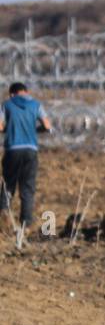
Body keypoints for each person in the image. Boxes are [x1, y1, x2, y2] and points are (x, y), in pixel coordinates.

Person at [1, 82, 52, 233]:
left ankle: (4, 218)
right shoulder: (36, 104)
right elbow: (48, 126)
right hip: (31, 149)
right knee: (27, 187)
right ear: (26, 92)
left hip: (12, 149)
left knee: (8, 185)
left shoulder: (7, 104)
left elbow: (0, 126)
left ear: (11, 94)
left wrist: (9, 128)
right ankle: (26, 223)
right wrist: (36, 129)